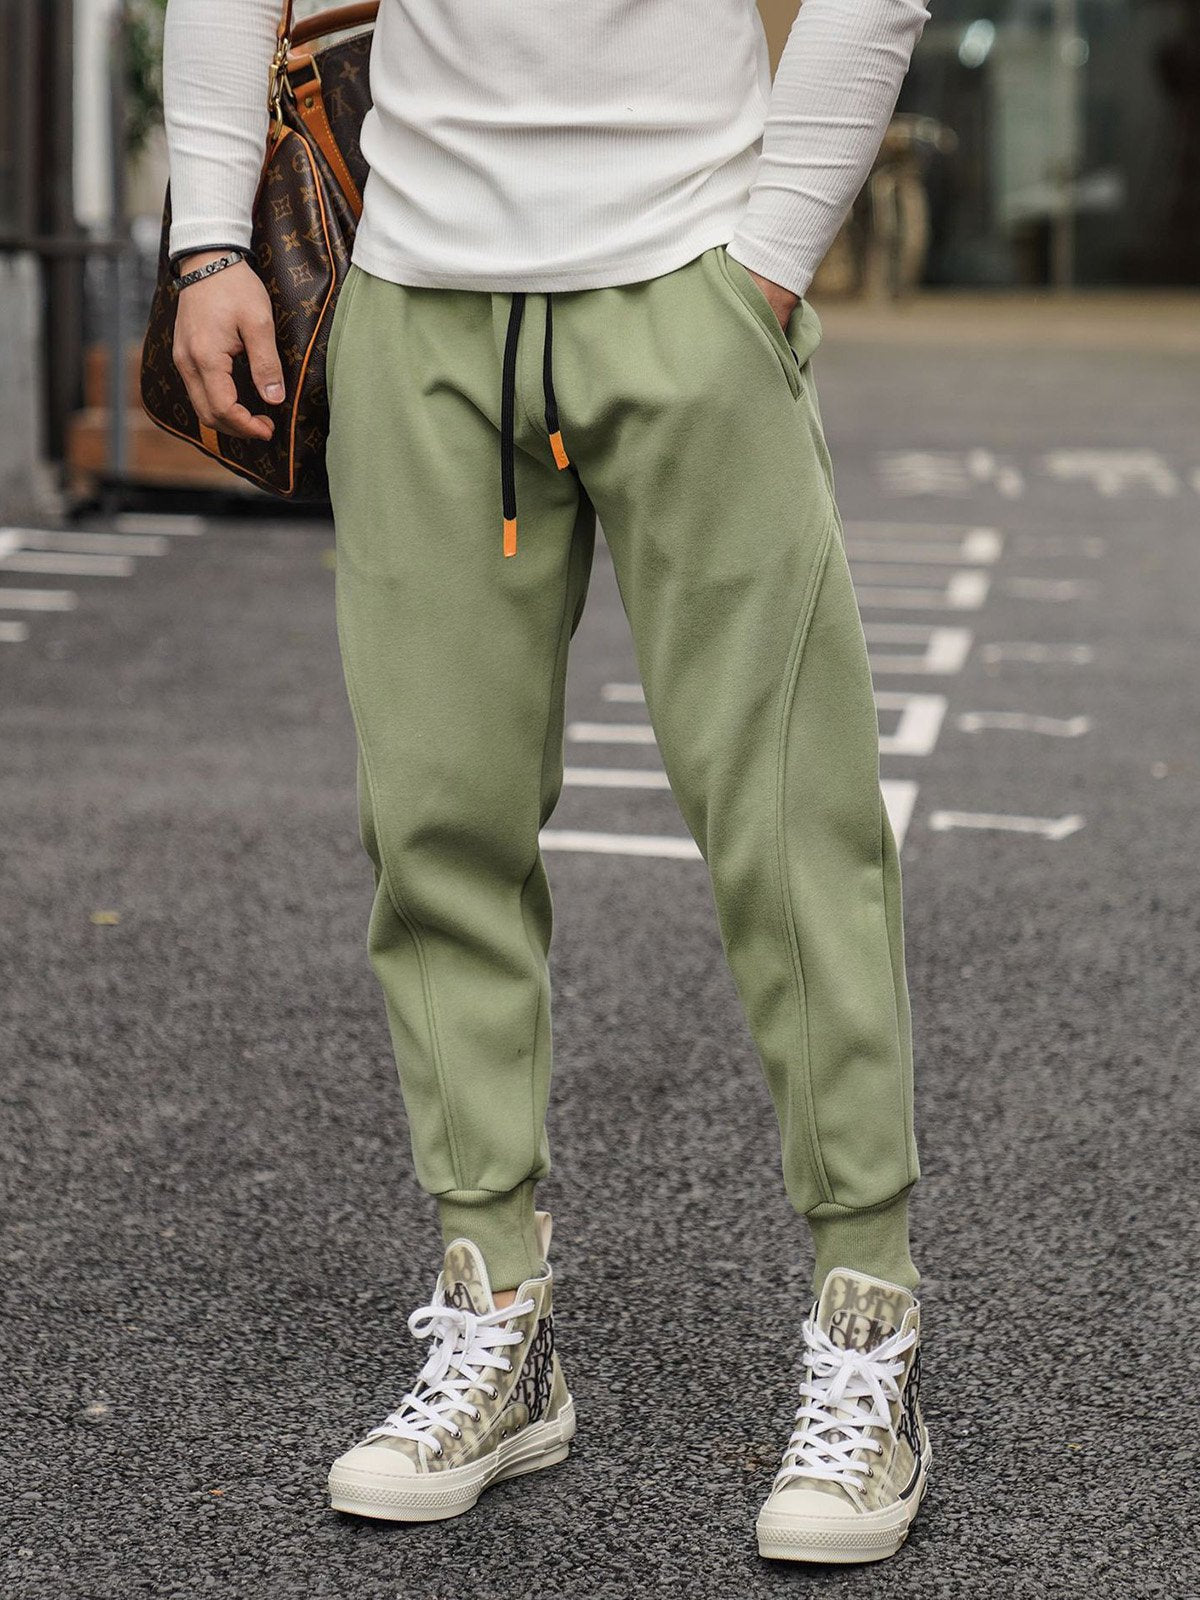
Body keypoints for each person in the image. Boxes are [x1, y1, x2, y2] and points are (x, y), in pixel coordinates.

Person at [163, 0, 932, 1563]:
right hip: (419, 300)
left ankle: (871, 1326)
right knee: (435, 827)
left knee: (793, 821)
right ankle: (495, 1316)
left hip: (692, 280)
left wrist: (773, 255)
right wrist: (207, 239)